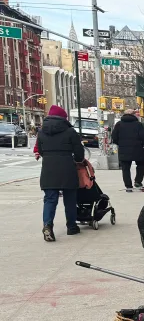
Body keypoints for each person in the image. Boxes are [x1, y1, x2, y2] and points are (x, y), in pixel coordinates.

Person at [36, 104, 85, 242]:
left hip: (48, 169)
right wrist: (77, 160)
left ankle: (48, 225)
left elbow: (40, 151)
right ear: (63, 118)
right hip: (67, 168)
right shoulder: (70, 131)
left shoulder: (41, 132)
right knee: (70, 198)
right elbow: (79, 153)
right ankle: (71, 226)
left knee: (50, 199)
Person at [112, 109, 144, 192]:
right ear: (133, 115)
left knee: (125, 168)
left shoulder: (118, 124)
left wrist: (120, 144)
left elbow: (114, 137)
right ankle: (138, 181)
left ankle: (128, 186)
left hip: (123, 149)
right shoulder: (138, 124)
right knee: (140, 165)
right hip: (137, 149)